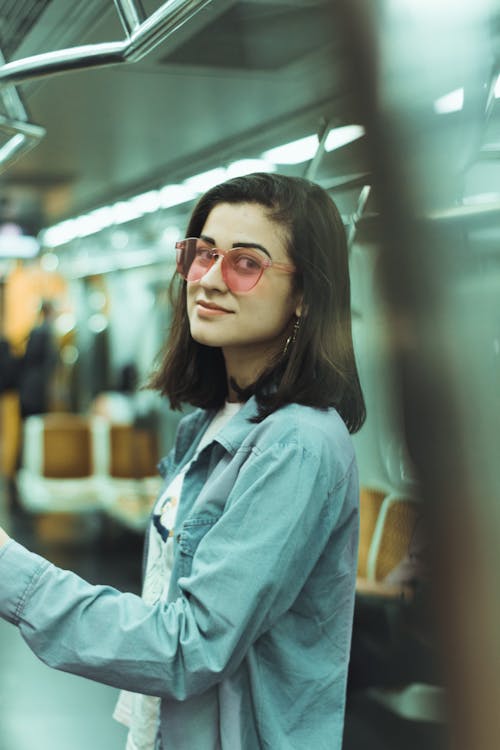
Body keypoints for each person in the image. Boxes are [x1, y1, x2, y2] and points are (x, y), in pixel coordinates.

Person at [0, 172, 366, 750]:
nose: (211, 280)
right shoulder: (211, 421)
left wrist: (11, 571)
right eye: (203, 255)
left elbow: (190, 645)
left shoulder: (297, 444)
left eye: (246, 263)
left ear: (304, 296)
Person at [18, 299, 58, 417]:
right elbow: (51, 362)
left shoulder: (37, 331)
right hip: (36, 389)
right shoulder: (44, 332)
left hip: (30, 386)